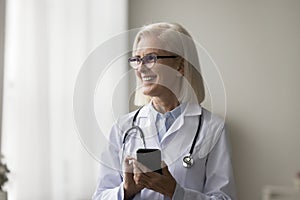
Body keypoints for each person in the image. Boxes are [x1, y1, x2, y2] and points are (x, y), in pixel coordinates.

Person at [92, 22, 237, 200]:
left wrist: (176, 192)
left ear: (179, 66)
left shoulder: (212, 128)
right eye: (137, 59)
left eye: (151, 58)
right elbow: (100, 196)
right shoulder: (122, 128)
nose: (141, 67)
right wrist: (126, 190)